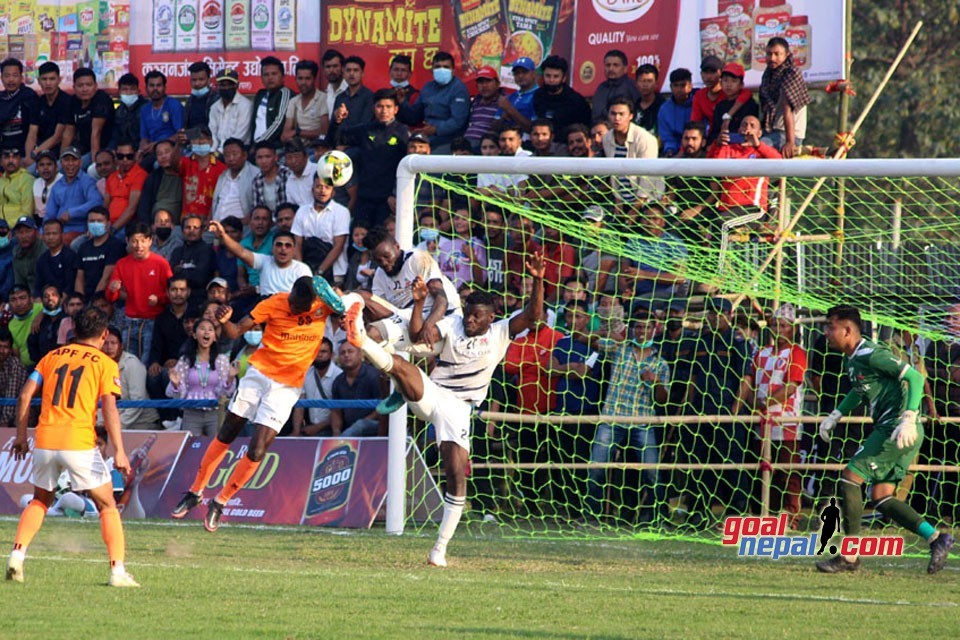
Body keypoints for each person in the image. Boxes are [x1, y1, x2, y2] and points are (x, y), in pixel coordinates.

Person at [341, 252, 545, 567]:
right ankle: (362, 340)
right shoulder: (454, 321)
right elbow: (421, 334)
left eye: (477, 316)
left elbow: (532, 315)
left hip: (460, 410)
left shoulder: (502, 330)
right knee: (400, 367)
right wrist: (422, 304)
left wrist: (538, 279)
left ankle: (440, 549)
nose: (471, 320)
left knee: (455, 473)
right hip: (436, 393)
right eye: (468, 315)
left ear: (491, 317)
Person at [170, 275, 338, 531]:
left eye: (298, 307)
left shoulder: (323, 305)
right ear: (290, 293)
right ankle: (195, 491)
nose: (293, 308)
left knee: (258, 449)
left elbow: (351, 303)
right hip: (259, 374)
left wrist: (344, 300)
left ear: (312, 302)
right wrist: (225, 323)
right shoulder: (273, 303)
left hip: (288, 386)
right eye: (291, 303)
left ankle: (221, 501)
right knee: (228, 431)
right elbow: (237, 331)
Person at [5, 306, 139, 587]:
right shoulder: (104, 363)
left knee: (41, 500)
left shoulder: (51, 357)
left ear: (74, 331)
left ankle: (17, 555)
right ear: (104, 335)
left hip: (45, 440)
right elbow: (110, 409)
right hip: (79, 442)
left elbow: (25, 394)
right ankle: (117, 572)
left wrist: (20, 435)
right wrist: (119, 450)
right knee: (107, 506)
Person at [816, 304, 955, 574]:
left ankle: (850, 555)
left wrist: (908, 417)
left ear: (847, 330)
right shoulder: (854, 357)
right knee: (881, 497)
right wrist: (836, 414)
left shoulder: (871, 353)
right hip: (893, 428)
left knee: (850, 477)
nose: (826, 333)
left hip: (897, 428)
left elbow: (915, 377)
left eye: (831, 327)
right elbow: (860, 390)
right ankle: (937, 538)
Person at [585, 309, 670, 526]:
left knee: (652, 474)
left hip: (643, 422)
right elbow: (590, 340)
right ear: (633, 329)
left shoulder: (660, 363)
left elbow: (662, 400)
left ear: (655, 330)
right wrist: (609, 333)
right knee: (595, 468)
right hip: (612, 418)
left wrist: (655, 381)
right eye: (639, 327)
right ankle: (592, 516)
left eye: (647, 327)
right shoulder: (620, 350)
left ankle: (654, 519)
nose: (642, 332)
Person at [733, 304, 806, 526]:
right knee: (762, 471)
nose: (778, 329)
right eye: (775, 325)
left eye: (783, 325)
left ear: (792, 329)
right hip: (761, 422)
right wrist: (739, 407)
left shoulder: (796, 353)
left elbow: (792, 386)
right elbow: (748, 380)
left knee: (788, 472)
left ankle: (790, 516)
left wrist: (765, 403)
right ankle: (766, 514)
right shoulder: (761, 352)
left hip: (786, 422)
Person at [105, 222, 174, 362]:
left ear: (150, 241)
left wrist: (159, 299)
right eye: (134, 241)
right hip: (130, 321)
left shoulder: (161, 263)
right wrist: (113, 290)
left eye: (143, 240)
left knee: (146, 361)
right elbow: (110, 296)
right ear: (127, 241)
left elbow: (172, 294)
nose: (138, 245)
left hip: (153, 320)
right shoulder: (122, 264)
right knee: (128, 362)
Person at [167, 317, 237, 437]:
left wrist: (230, 378)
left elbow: (224, 393)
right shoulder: (185, 360)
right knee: (190, 449)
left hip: (215, 412)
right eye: (202, 329)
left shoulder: (221, 360)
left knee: (215, 448)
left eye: (210, 330)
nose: (206, 332)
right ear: (194, 335)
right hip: (191, 412)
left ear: (214, 336)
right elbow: (178, 393)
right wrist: (176, 384)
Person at [208, 219, 310, 296]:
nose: (283, 249)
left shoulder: (302, 269)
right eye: (279, 245)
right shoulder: (264, 261)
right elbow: (241, 252)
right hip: (265, 311)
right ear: (272, 247)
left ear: (293, 249)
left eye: (288, 245)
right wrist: (223, 235)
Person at [398, 51, 469, 151]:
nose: (442, 70)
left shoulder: (459, 89)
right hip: (426, 137)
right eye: (438, 67)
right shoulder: (427, 87)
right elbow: (414, 116)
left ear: (453, 71)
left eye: (446, 67)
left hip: (448, 139)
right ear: (432, 70)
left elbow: (457, 121)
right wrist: (402, 102)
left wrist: (436, 129)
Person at [291, 173, 349, 282]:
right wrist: (302, 272)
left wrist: (319, 272)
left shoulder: (341, 212)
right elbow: (297, 244)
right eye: (318, 186)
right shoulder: (302, 211)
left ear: (333, 192)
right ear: (312, 189)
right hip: (307, 268)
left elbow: (338, 246)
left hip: (334, 271)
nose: (322, 190)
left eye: (327, 187)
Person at [759, 37, 810, 158]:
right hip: (771, 130)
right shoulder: (768, 74)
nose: (772, 58)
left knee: (758, 148)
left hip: (788, 134)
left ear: (787, 55)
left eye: (777, 54)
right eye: (769, 54)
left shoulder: (791, 73)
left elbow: (788, 110)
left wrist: (790, 142)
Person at [100, 326, 159, 430]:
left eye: (113, 343)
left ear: (121, 346)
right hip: (112, 422)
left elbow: (137, 402)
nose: (109, 347)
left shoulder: (132, 364)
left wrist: (116, 426)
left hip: (141, 423)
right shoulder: (100, 364)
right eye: (105, 343)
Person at [44, 145, 103, 241]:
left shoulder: (87, 181)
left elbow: (96, 202)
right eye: (66, 160)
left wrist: (71, 213)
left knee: (63, 240)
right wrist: (44, 231)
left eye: (74, 160)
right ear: (61, 163)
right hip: (59, 230)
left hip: (80, 229)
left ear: (80, 162)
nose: (70, 164)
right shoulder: (57, 186)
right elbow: (49, 214)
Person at [61, 67, 114, 166]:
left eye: (88, 85)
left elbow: (96, 133)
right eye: (80, 85)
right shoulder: (72, 102)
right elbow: (68, 134)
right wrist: (62, 159)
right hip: (82, 147)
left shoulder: (102, 99)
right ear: (74, 87)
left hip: (104, 147)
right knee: (60, 168)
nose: (85, 89)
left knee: (75, 167)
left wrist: (95, 165)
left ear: (96, 86)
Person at [330, 340, 382, 437]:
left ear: (360, 354)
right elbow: (336, 411)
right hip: (349, 428)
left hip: (375, 426)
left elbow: (382, 407)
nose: (346, 355)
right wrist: (336, 432)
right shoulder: (338, 381)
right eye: (342, 353)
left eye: (350, 351)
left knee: (360, 425)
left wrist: (361, 423)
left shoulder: (373, 376)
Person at [292, 337, 341, 437]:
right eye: (316, 351)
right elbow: (300, 404)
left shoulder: (339, 375)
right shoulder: (306, 374)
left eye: (324, 351)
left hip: (331, 430)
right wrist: (296, 432)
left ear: (331, 355)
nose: (319, 355)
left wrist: (317, 428)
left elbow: (339, 411)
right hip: (309, 428)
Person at [24, 61, 71, 166]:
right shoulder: (37, 102)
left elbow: (57, 136)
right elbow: (32, 133)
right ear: (38, 81)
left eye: (52, 79)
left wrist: (34, 154)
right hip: (39, 151)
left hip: (59, 152)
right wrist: (28, 157)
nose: (48, 83)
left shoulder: (66, 101)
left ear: (59, 80)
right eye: (44, 79)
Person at [533, 55, 591, 136]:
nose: (551, 80)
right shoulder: (538, 96)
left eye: (556, 76)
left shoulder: (576, 101)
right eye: (548, 76)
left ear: (563, 78)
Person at [138, 70, 183, 163]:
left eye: (158, 85)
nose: (155, 89)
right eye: (152, 85)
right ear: (146, 88)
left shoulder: (174, 105)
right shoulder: (144, 109)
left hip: (171, 150)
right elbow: (144, 137)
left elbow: (180, 135)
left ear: (164, 88)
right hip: (152, 152)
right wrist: (142, 149)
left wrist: (158, 144)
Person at [104, 140, 147, 233]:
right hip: (108, 225)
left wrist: (112, 229)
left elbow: (132, 209)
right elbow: (105, 207)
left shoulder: (140, 175)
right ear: (115, 157)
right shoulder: (111, 177)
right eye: (121, 156)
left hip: (126, 226)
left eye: (129, 156)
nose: (125, 160)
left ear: (135, 156)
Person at [211, 137, 257, 223]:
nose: (231, 158)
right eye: (227, 155)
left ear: (244, 155)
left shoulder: (255, 174)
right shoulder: (223, 176)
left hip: (240, 228)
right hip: (216, 227)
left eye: (235, 154)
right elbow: (215, 202)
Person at [282, 60, 328, 145]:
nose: (303, 83)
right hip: (297, 148)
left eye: (307, 78)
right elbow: (286, 134)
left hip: (316, 148)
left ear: (314, 79)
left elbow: (324, 132)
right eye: (300, 78)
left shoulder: (323, 98)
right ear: (296, 79)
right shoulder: (293, 101)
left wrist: (298, 132)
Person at [251, 56, 293, 147]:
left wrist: (259, 144)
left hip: (273, 148)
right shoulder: (260, 95)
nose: (270, 78)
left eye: (274, 74)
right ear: (261, 78)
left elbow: (279, 122)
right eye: (266, 75)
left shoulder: (284, 93)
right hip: (255, 147)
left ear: (282, 76)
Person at [0, 58, 39, 156]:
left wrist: (29, 156)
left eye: (15, 75)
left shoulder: (29, 96)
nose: (11, 79)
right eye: (7, 76)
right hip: (4, 152)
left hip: (23, 151)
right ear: (1, 78)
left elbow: (33, 129)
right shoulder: (1, 98)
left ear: (21, 78)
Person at [209, 69, 252, 153]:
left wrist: (221, 152)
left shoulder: (245, 105)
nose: (226, 88)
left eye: (229, 85)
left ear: (237, 85)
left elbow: (240, 136)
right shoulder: (214, 107)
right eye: (222, 85)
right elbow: (212, 134)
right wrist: (213, 151)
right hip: (217, 152)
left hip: (238, 151)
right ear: (217, 86)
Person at [591, 50, 641, 122]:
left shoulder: (632, 86)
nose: (611, 69)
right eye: (608, 65)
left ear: (625, 68)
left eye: (615, 65)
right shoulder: (601, 88)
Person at [34, 219, 79, 298]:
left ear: (62, 234)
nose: (51, 237)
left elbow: (70, 285)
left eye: (54, 233)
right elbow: (38, 286)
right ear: (43, 236)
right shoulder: (41, 259)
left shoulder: (70, 256)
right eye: (47, 234)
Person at [657, 68, 694, 157]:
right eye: (675, 85)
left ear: (690, 86)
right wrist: (670, 151)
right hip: (673, 151)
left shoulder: (697, 104)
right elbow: (667, 137)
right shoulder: (664, 109)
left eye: (682, 85)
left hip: (696, 149)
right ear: (670, 87)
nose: (679, 89)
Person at [110, 73, 147, 151]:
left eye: (132, 89)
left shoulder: (147, 108)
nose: (129, 93)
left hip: (143, 150)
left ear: (138, 91)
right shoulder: (118, 112)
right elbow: (114, 136)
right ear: (119, 92)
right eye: (125, 89)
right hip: (123, 152)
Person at [0, 327, 28, 427]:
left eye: (5, 347)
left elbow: (10, 399)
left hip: (17, 413)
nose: (2, 351)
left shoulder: (15, 366)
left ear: (11, 349)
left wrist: (3, 427)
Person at [0, 146, 34, 226]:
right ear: (1, 162)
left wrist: (8, 226)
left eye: (14, 157)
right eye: (7, 157)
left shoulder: (27, 179)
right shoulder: (1, 181)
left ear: (20, 160)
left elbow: (27, 212)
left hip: (18, 228)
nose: (11, 160)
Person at [12, 215, 44, 294]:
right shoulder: (16, 252)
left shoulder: (44, 250)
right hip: (27, 296)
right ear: (15, 235)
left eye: (27, 231)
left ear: (36, 232)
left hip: (44, 294)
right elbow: (19, 283)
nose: (23, 236)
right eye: (20, 232)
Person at [183, 61, 218, 131]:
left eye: (201, 79)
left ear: (208, 80)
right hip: (190, 139)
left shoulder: (216, 99)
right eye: (194, 80)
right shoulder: (189, 101)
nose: (197, 83)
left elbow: (215, 128)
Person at [633, 63, 664, 134]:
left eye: (649, 81)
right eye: (642, 81)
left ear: (656, 84)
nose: (645, 85)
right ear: (636, 84)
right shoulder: (632, 106)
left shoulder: (663, 106)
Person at [32, 150, 61, 219]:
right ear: (37, 168)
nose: (45, 168)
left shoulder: (62, 181)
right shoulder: (36, 183)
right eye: (42, 165)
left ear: (56, 167)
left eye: (49, 164)